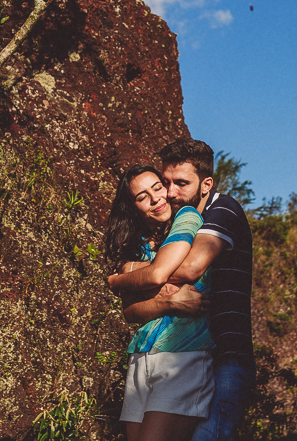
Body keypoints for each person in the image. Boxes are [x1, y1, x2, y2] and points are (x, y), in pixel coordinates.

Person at [107, 140, 255, 441]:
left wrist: (126, 274)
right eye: (167, 182)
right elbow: (130, 311)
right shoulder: (167, 230)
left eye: (181, 183)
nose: (171, 193)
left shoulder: (220, 210)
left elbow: (188, 269)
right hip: (178, 352)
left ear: (206, 184)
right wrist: (164, 296)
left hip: (225, 356)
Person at [105, 164, 215, 441]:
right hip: (142, 353)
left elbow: (157, 274)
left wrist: (118, 280)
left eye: (158, 188)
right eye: (142, 197)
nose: (156, 199)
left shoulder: (186, 218)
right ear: (133, 207)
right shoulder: (140, 243)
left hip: (184, 353)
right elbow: (130, 312)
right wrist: (169, 303)